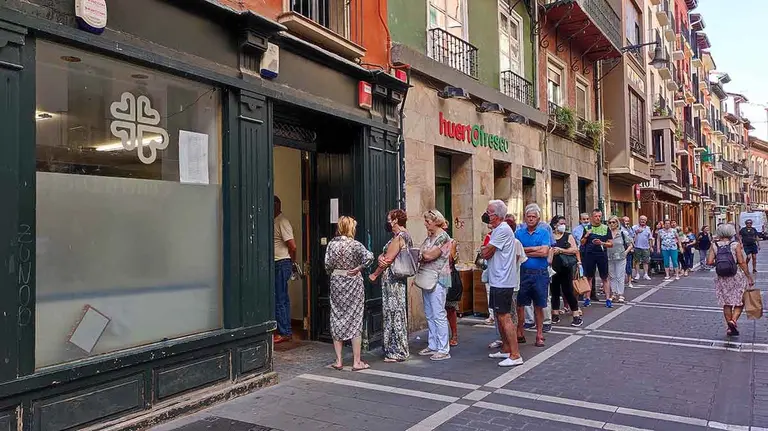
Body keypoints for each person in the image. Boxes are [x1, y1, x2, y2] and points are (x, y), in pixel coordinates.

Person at [324, 216, 374, 371]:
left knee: (337, 317)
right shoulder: (355, 244)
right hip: (353, 283)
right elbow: (369, 257)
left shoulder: (331, 244)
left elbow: (327, 265)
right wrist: (359, 268)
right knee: (355, 318)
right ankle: (356, 362)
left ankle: (338, 360)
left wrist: (336, 273)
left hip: (337, 282)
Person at [482, 200, 525, 367]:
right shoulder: (497, 230)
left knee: (505, 316)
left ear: (497, 215)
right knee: (498, 316)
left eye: (489, 213)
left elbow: (486, 253)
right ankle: (506, 349)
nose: (487, 215)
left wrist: (485, 250)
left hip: (503, 281)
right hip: (496, 280)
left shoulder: (502, 230)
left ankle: (515, 355)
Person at [369, 209, 412, 362]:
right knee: (395, 312)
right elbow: (385, 256)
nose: (387, 221)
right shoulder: (402, 236)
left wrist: (374, 274)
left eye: (389, 219)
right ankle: (397, 349)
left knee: (393, 313)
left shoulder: (399, 237)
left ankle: (396, 351)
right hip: (396, 281)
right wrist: (381, 256)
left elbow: (387, 260)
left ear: (395, 220)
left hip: (393, 282)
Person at [416, 210, 453, 361]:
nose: (425, 224)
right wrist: (423, 255)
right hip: (428, 277)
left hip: (439, 278)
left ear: (436, 221)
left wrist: (424, 255)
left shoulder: (443, 237)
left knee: (438, 314)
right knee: (429, 313)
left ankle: (443, 349)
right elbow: (421, 254)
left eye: (428, 221)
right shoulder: (430, 237)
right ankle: (433, 344)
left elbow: (428, 255)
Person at [707, 223, 755, 336]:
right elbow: (742, 262)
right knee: (741, 301)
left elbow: (709, 262)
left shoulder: (714, 245)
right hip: (736, 275)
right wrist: (749, 276)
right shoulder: (735, 245)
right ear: (731, 233)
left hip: (722, 277)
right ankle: (733, 321)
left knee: (726, 303)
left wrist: (720, 263)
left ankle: (729, 328)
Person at [515, 204, 551, 347]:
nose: (530, 219)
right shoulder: (519, 233)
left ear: (538, 219)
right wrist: (536, 249)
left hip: (540, 274)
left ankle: (539, 334)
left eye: (533, 217)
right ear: (525, 218)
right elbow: (516, 252)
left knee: (539, 305)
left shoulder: (544, 232)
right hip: (522, 274)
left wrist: (525, 250)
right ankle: (520, 331)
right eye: (528, 216)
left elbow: (544, 252)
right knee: (520, 304)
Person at [549, 216, 583, 326]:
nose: (563, 226)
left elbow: (574, 249)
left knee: (568, 291)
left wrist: (561, 250)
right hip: (553, 268)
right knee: (554, 291)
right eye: (561, 223)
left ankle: (576, 314)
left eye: (564, 223)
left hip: (565, 267)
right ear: (555, 225)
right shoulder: (550, 236)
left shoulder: (568, 236)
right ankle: (555, 314)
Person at [274, 196, 297, 344]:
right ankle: (284, 329)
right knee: (281, 298)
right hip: (278, 263)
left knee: (280, 298)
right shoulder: (275, 221)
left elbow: (292, 246)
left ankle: (284, 332)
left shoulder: (282, 222)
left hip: (281, 263)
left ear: (277, 205)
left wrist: (291, 263)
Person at [581, 209, 613, 308]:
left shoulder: (606, 228)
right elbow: (582, 243)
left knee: (605, 277)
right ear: (592, 217)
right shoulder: (587, 228)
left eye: (599, 216)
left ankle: (608, 299)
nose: (598, 218)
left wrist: (601, 243)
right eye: (596, 216)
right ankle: (587, 298)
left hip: (601, 255)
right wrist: (586, 236)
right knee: (589, 277)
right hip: (589, 255)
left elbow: (611, 244)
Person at [607, 215, 633, 304]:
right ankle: (614, 293)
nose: (612, 224)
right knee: (612, 276)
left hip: (620, 257)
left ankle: (620, 294)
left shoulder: (622, 233)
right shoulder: (607, 233)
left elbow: (630, 245)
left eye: (613, 222)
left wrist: (625, 252)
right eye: (610, 222)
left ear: (617, 223)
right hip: (609, 257)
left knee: (620, 275)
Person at [445, 238, 460, 346]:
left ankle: (454, 335)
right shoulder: (429, 241)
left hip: (448, 277)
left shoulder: (452, 242)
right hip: (434, 277)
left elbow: (450, 259)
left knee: (450, 307)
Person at [632, 215, 654, 281]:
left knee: (646, 261)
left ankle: (646, 274)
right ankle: (637, 274)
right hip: (637, 246)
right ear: (639, 220)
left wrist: (651, 247)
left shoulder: (648, 228)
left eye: (644, 220)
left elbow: (650, 238)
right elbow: (631, 237)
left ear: (646, 221)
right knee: (637, 261)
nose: (643, 221)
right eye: (641, 219)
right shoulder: (634, 227)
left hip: (646, 247)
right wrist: (636, 232)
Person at [621, 216, 635, 288]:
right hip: (620, 249)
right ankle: (622, 282)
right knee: (621, 267)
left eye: (628, 221)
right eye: (625, 221)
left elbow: (632, 237)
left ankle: (629, 281)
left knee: (628, 266)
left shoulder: (630, 228)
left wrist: (632, 246)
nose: (627, 222)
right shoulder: (620, 228)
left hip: (628, 249)